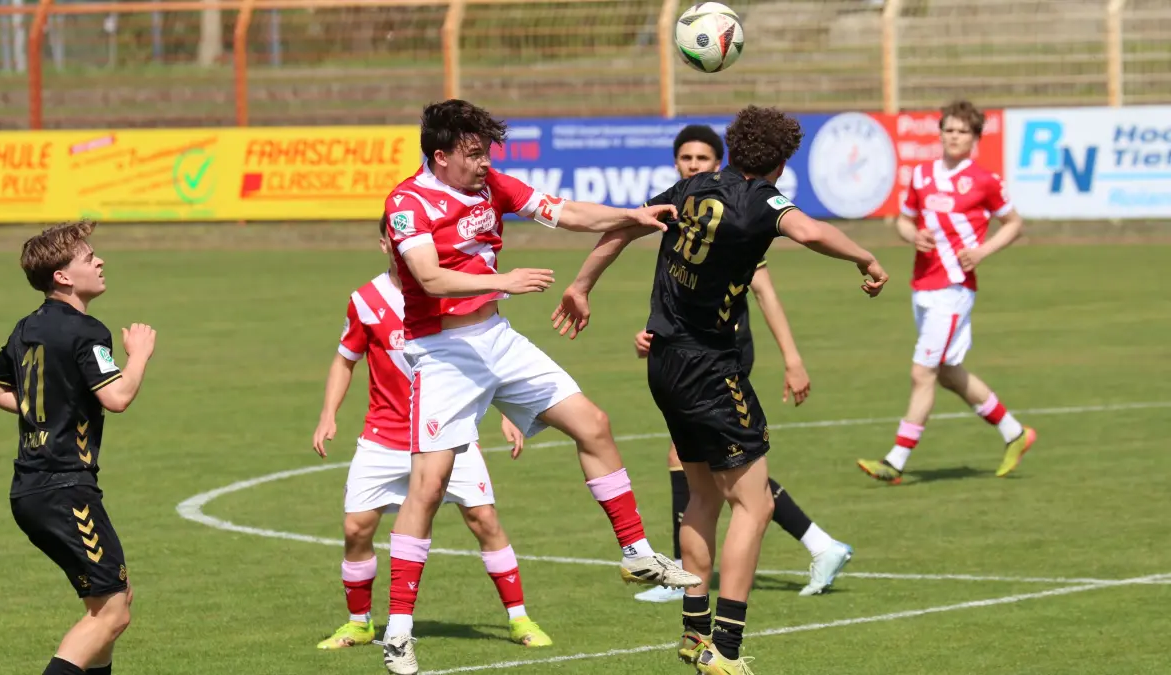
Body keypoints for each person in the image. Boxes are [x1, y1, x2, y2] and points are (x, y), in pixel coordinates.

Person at [551, 106, 888, 674]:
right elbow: (809, 230)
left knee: (702, 497)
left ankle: (692, 631)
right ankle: (725, 650)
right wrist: (866, 256)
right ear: (782, 164)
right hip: (711, 368)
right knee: (752, 505)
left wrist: (581, 285)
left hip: (663, 363)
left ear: (730, 149)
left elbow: (627, 228)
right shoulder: (763, 202)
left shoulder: (689, 186)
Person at [378, 99, 700, 674]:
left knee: (593, 424)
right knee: (427, 487)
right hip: (442, 351)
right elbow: (426, 277)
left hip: (496, 339)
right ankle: (399, 632)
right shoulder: (407, 203)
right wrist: (504, 278)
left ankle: (635, 553)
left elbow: (565, 211)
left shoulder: (493, 185)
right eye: (474, 154)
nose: (485, 164)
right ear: (441, 155)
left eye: (487, 153)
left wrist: (634, 215)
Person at [629, 125, 854, 605]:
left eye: (702, 157)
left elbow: (765, 289)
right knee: (720, 471)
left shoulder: (741, 215)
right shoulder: (690, 208)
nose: (693, 165)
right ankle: (814, 544)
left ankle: (693, 584)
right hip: (689, 349)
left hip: (720, 353)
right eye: (685, 158)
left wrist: (793, 359)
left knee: (722, 473)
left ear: (720, 160)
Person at [311, 216, 551, 651]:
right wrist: (329, 414)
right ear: (386, 242)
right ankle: (359, 623)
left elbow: (492, 356)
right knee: (356, 528)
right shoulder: (365, 300)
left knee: (484, 520)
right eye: (396, 242)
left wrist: (509, 411)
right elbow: (345, 359)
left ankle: (520, 620)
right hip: (385, 435)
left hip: (449, 432)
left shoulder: (454, 294)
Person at [0, 220, 157, 675]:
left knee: (112, 600)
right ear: (62, 276)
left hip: (31, 491)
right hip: (65, 490)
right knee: (114, 612)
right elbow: (116, 398)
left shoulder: (26, 328)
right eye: (87, 257)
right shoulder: (87, 331)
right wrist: (137, 354)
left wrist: (46, 410)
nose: (99, 261)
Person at [856, 100, 1035, 484]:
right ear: (940, 133)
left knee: (923, 372)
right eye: (949, 129)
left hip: (954, 289)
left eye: (962, 131)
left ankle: (895, 460)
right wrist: (913, 235)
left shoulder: (985, 180)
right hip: (922, 285)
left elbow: (1014, 223)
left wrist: (983, 251)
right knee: (950, 374)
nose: (954, 136)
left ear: (974, 138)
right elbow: (903, 221)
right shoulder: (921, 175)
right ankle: (1015, 434)